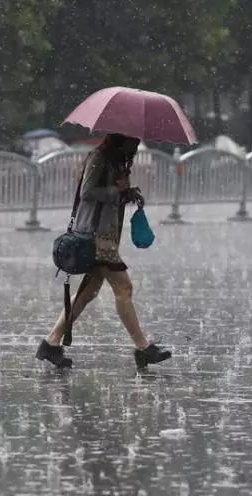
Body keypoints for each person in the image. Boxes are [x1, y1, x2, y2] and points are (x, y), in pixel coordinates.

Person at [36, 133, 171, 370]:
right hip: (95, 237)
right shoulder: (99, 157)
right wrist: (115, 192)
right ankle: (143, 348)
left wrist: (127, 194)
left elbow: (109, 194)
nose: (136, 146)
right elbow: (86, 192)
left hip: (106, 237)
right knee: (124, 287)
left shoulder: (117, 161)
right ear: (120, 140)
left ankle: (51, 342)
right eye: (132, 141)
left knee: (88, 292)